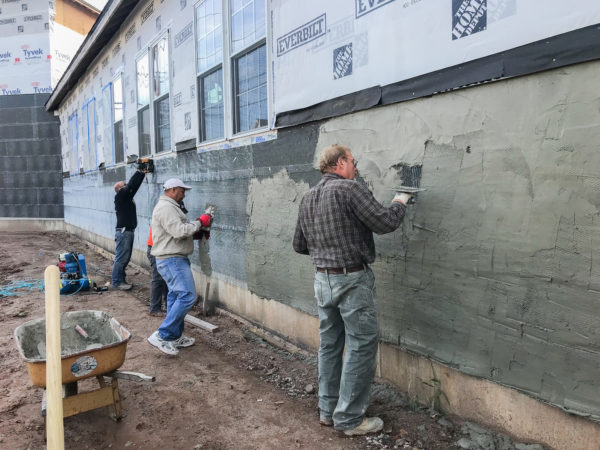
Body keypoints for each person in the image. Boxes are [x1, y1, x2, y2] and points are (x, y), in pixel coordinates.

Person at [293, 144, 412, 436]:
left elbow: (299, 245)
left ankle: (328, 411)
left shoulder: (308, 197)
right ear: (341, 162)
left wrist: (327, 250)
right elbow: (385, 223)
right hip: (351, 280)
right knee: (361, 346)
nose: (356, 168)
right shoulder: (349, 189)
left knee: (330, 345)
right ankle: (349, 419)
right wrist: (401, 200)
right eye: (353, 162)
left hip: (322, 280)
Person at [147, 178, 212, 356]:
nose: (184, 194)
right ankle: (163, 335)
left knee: (176, 296)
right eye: (182, 191)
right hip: (172, 259)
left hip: (172, 258)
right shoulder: (167, 207)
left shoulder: (170, 207)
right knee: (188, 295)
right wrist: (200, 222)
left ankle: (174, 336)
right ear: (173, 189)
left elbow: (176, 233)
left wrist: (197, 234)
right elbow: (179, 231)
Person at [112, 167, 146, 290]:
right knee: (121, 258)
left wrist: (142, 174)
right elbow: (132, 185)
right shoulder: (121, 196)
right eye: (124, 185)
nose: (127, 185)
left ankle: (120, 280)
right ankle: (117, 282)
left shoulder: (126, 198)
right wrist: (139, 171)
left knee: (124, 258)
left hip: (127, 231)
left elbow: (133, 187)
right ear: (120, 189)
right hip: (124, 232)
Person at [147, 226, 168, 316]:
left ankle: (168, 305)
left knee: (166, 279)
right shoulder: (164, 213)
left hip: (160, 248)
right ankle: (155, 309)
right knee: (158, 279)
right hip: (156, 249)